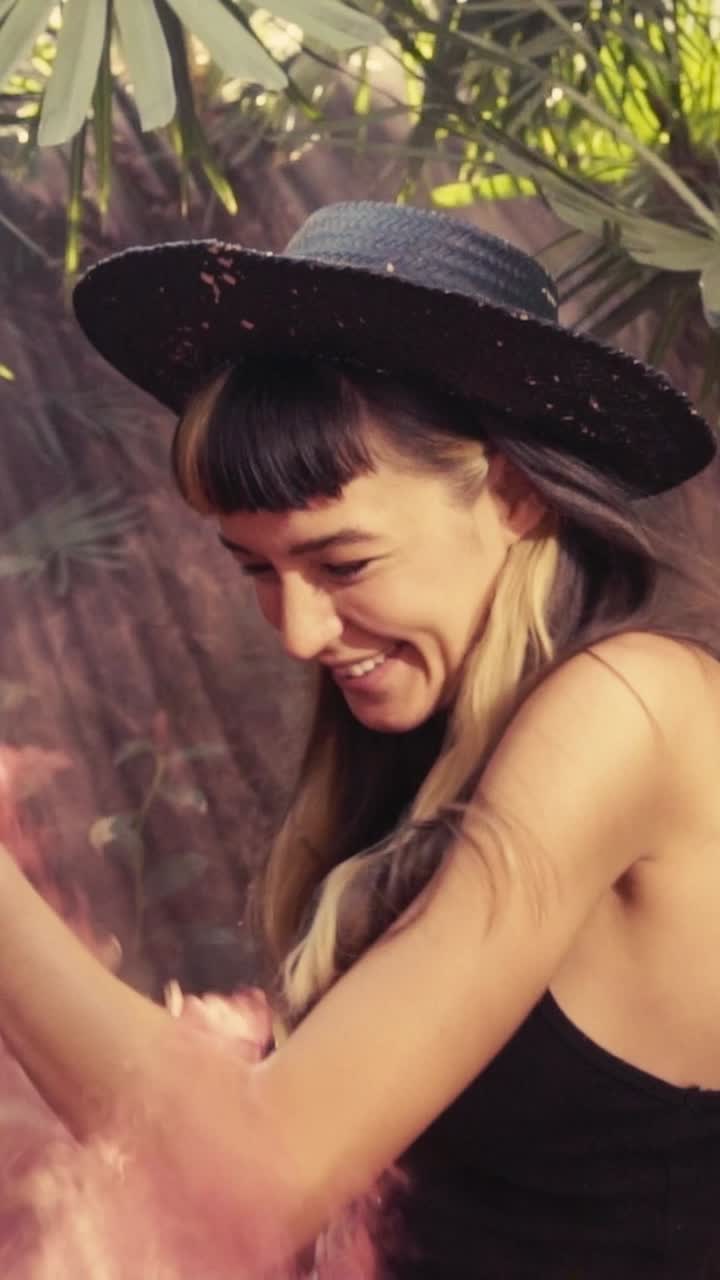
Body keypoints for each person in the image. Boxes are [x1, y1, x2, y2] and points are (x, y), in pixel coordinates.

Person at [1, 199, 720, 1279]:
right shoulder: (432, 754)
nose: (298, 632)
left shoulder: (632, 703)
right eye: (258, 570)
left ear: (516, 494)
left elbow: (250, 1179)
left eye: (344, 564)